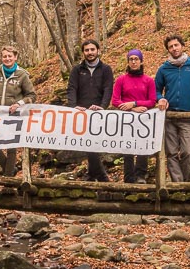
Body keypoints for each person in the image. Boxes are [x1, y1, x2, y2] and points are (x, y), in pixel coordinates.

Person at [155, 35, 190, 182]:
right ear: (168, 50)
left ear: (182, 45)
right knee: (171, 152)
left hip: (187, 115)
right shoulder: (164, 69)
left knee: (188, 151)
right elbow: (156, 90)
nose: (174, 48)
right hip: (169, 116)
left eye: (176, 45)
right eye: (171, 47)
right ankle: (177, 183)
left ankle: (183, 182)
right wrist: (160, 98)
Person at [0, 45, 36, 175]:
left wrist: (19, 103)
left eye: (10, 56)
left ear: (15, 57)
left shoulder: (22, 75)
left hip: (13, 115)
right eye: (5, 56)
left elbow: (31, 95)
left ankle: (8, 177)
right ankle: (10, 169)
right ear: (1, 58)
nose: (7, 58)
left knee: (11, 147)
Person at [67, 39, 115, 181]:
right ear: (83, 53)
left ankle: (94, 174)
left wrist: (103, 106)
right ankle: (100, 175)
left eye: (92, 49)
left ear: (98, 50)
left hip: (99, 113)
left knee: (94, 143)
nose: (90, 53)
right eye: (87, 50)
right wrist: (73, 106)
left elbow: (108, 89)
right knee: (88, 142)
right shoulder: (77, 70)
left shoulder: (106, 69)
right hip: (81, 112)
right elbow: (71, 88)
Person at [111, 49, 157, 183]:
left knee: (142, 145)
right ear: (128, 62)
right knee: (128, 147)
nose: (133, 61)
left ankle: (141, 175)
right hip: (127, 118)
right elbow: (115, 100)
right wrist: (131, 108)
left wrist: (135, 103)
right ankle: (129, 178)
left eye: (136, 59)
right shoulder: (121, 80)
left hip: (143, 119)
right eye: (131, 59)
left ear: (141, 61)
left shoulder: (148, 80)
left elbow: (152, 101)